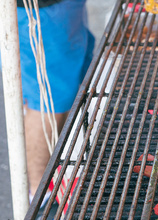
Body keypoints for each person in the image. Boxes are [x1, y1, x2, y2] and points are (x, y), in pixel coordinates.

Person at [13, 0, 94, 199]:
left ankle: (59, 174)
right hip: (38, 11)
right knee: (47, 101)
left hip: (64, 8)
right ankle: (38, 199)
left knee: (71, 88)